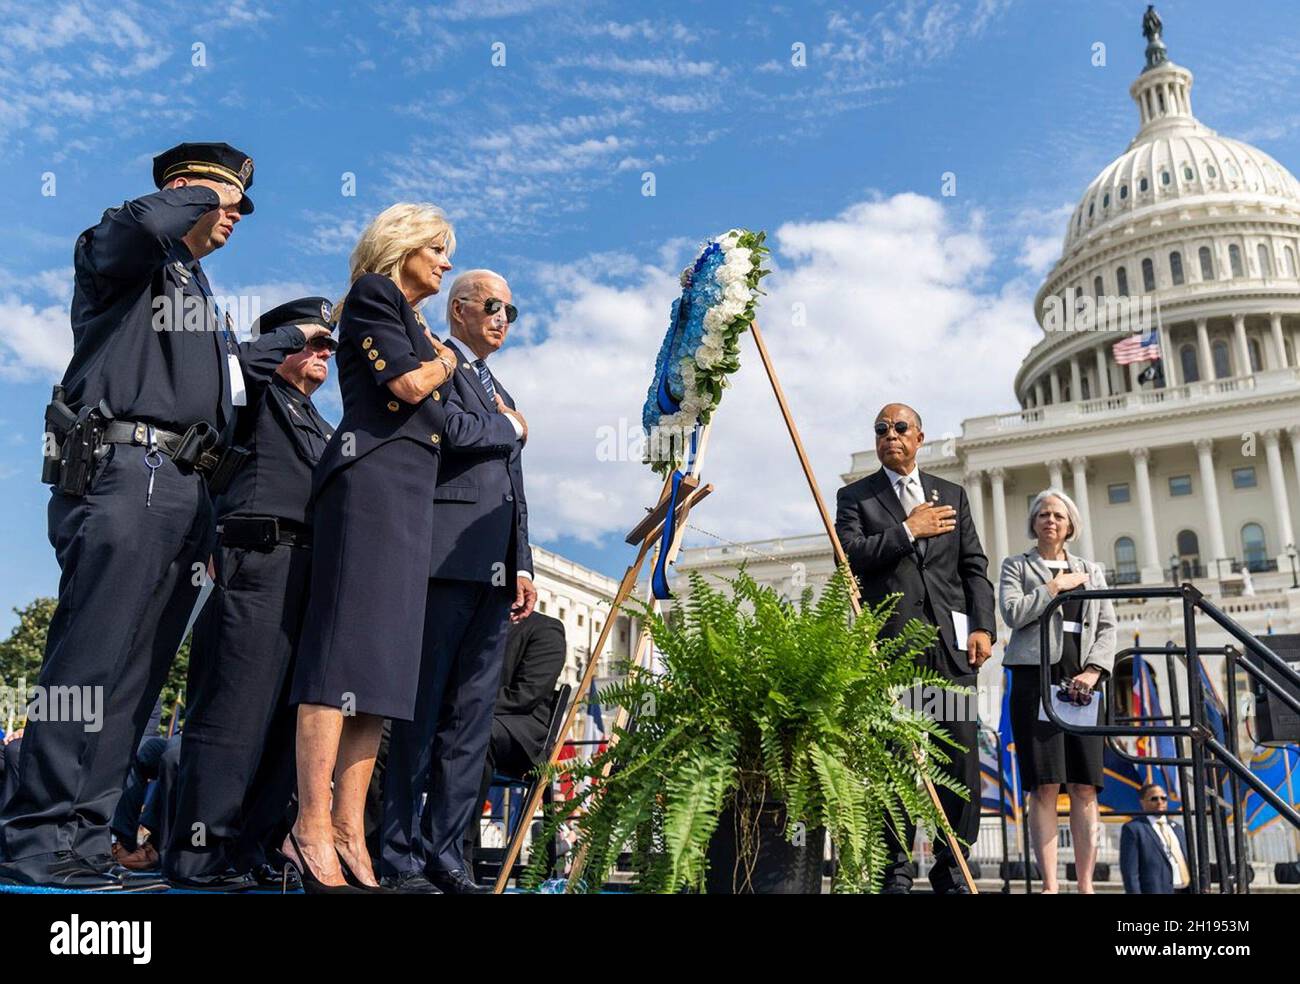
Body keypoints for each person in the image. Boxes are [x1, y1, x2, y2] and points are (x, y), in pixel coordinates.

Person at [0, 143, 328, 892]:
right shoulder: (123, 255)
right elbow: (141, 224)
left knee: (135, 678)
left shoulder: (193, 292)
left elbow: (230, 373)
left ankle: (84, 840)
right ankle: (38, 834)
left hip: (182, 488)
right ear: (184, 192)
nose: (236, 216)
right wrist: (199, 194)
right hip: (125, 468)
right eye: (227, 202)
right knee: (90, 662)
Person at [287, 203, 460, 893]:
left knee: (381, 678)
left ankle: (351, 830)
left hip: (410, 499)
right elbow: (409, 385)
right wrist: (448, 357)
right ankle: (309, 825)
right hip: (369, 486)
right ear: (404, 245)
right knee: (338, 662)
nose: (446, 263)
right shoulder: (373, 295)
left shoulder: (412, 319)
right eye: (439, 249)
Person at [164, 297, 338, 892]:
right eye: (310, 344)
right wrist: (291, 334)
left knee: (289, 723)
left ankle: (253, 847)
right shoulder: (252, 394)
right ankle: (199, 854)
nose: (320, 354)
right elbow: (236, 364)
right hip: (258, 564)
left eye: (326, 348)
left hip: (309, 577)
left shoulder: (320, 423)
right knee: (233, 715)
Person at [381, 268, 536, 895]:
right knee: (419, 714)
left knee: (471, 721)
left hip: (494, 571)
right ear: (460, 309)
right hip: (442, 562)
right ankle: (397, 853)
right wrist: (516, 427)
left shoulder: (498, 384)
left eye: (512, 311)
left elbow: (512, 491)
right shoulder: (432, 359)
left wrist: (521, 561)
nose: (504, 318)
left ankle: (447, 854)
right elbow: (453, 433)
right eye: (494, 306)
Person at [834, 402, 996, 894]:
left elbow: (974, 568)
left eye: (900, 428)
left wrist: (983, 628)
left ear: (919, 437)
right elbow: (851, 557)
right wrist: (908, 530)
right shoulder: (855, 498)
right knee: (896, 761)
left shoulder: (951, 495)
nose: (890, 435)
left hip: (950, 652)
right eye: (881, 429)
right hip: (891, 652)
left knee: (959, 759)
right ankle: (896, 874)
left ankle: (954, 872)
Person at [1000, 488, 1117, 894]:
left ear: (1070, 526)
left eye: (1059, 516)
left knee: (1086, 785)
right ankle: (1050, 885)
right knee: (1045, 783)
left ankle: (1085, 885)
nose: (1051, 521)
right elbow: (1013, 613)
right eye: (1043, 514)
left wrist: (1094, 670)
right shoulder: (1016, 566)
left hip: (1080, 681)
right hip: (1035, 679)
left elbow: (1107, 626)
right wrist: (1054, 587)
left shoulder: (1092, 569)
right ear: (1033, 522)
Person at [462, 611, 567, 865]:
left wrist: (465, 705)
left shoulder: (545, 629)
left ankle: (455, 852)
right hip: (463, 721)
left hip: (520, 732)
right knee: (386, 732)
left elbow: (526, 694)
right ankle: (372, 848)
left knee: (477, 735)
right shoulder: (472, 623)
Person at [1121, 783, 1190, 894]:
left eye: (1163, 798)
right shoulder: (1134, 829)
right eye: (1154, 798)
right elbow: (1130, 872)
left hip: (1185, 889)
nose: (1160, 802)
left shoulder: (1177, 828)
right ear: (1142, 802)